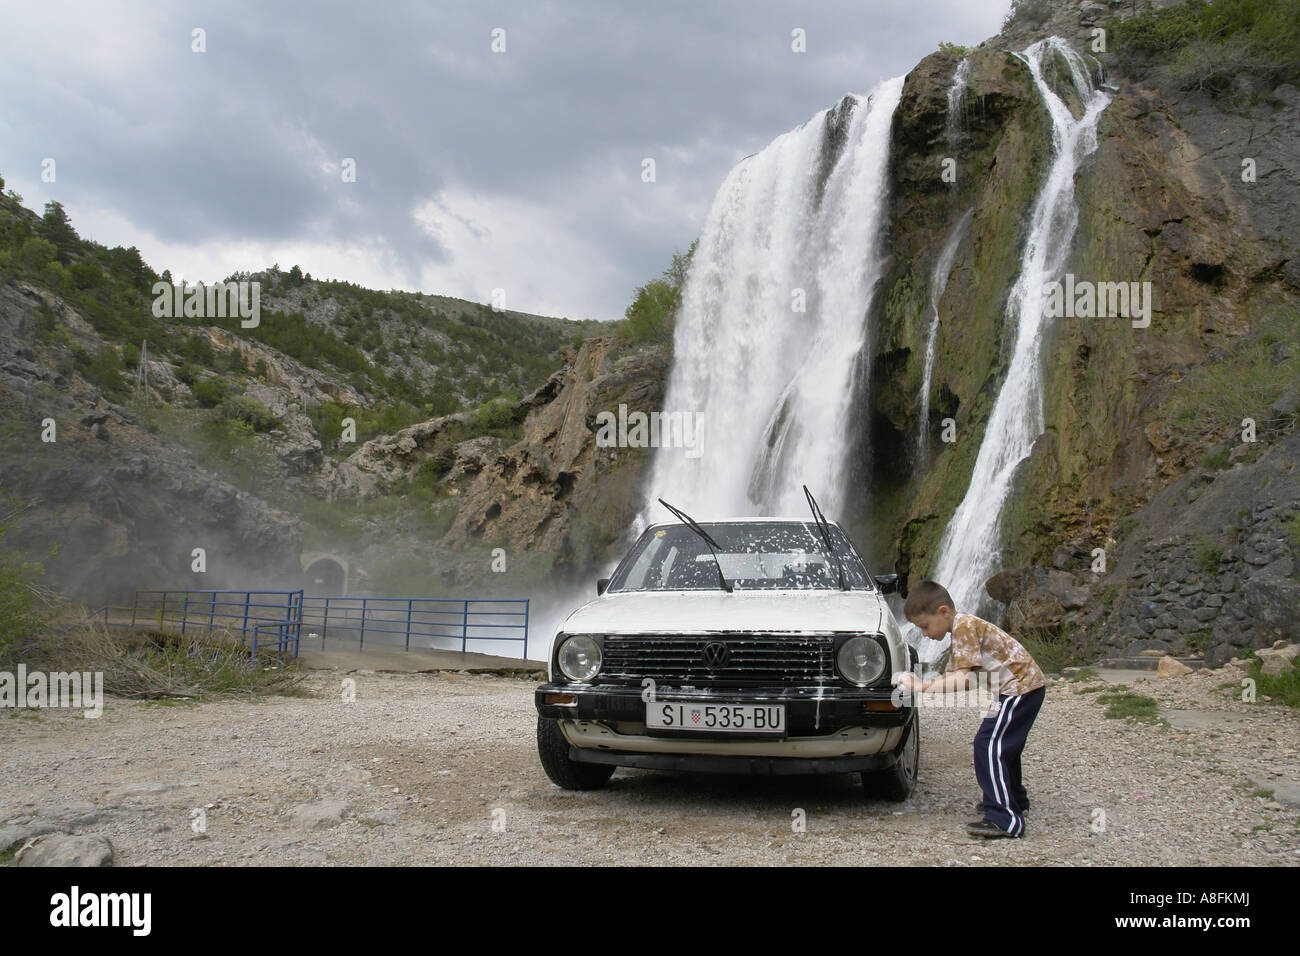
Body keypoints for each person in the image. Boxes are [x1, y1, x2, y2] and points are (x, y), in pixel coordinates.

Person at [894, 580, 1046, 839]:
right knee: (1002, 745)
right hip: (1021, 689)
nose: (926, 634)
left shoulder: (964, 627)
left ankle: (1005, 819)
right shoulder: (962, 629)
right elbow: (956, 677)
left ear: (943, 612)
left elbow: (964, 680)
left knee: (989, 745)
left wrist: (919, 686)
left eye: (925, 626)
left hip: (1019, 689)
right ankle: (1014, 800)